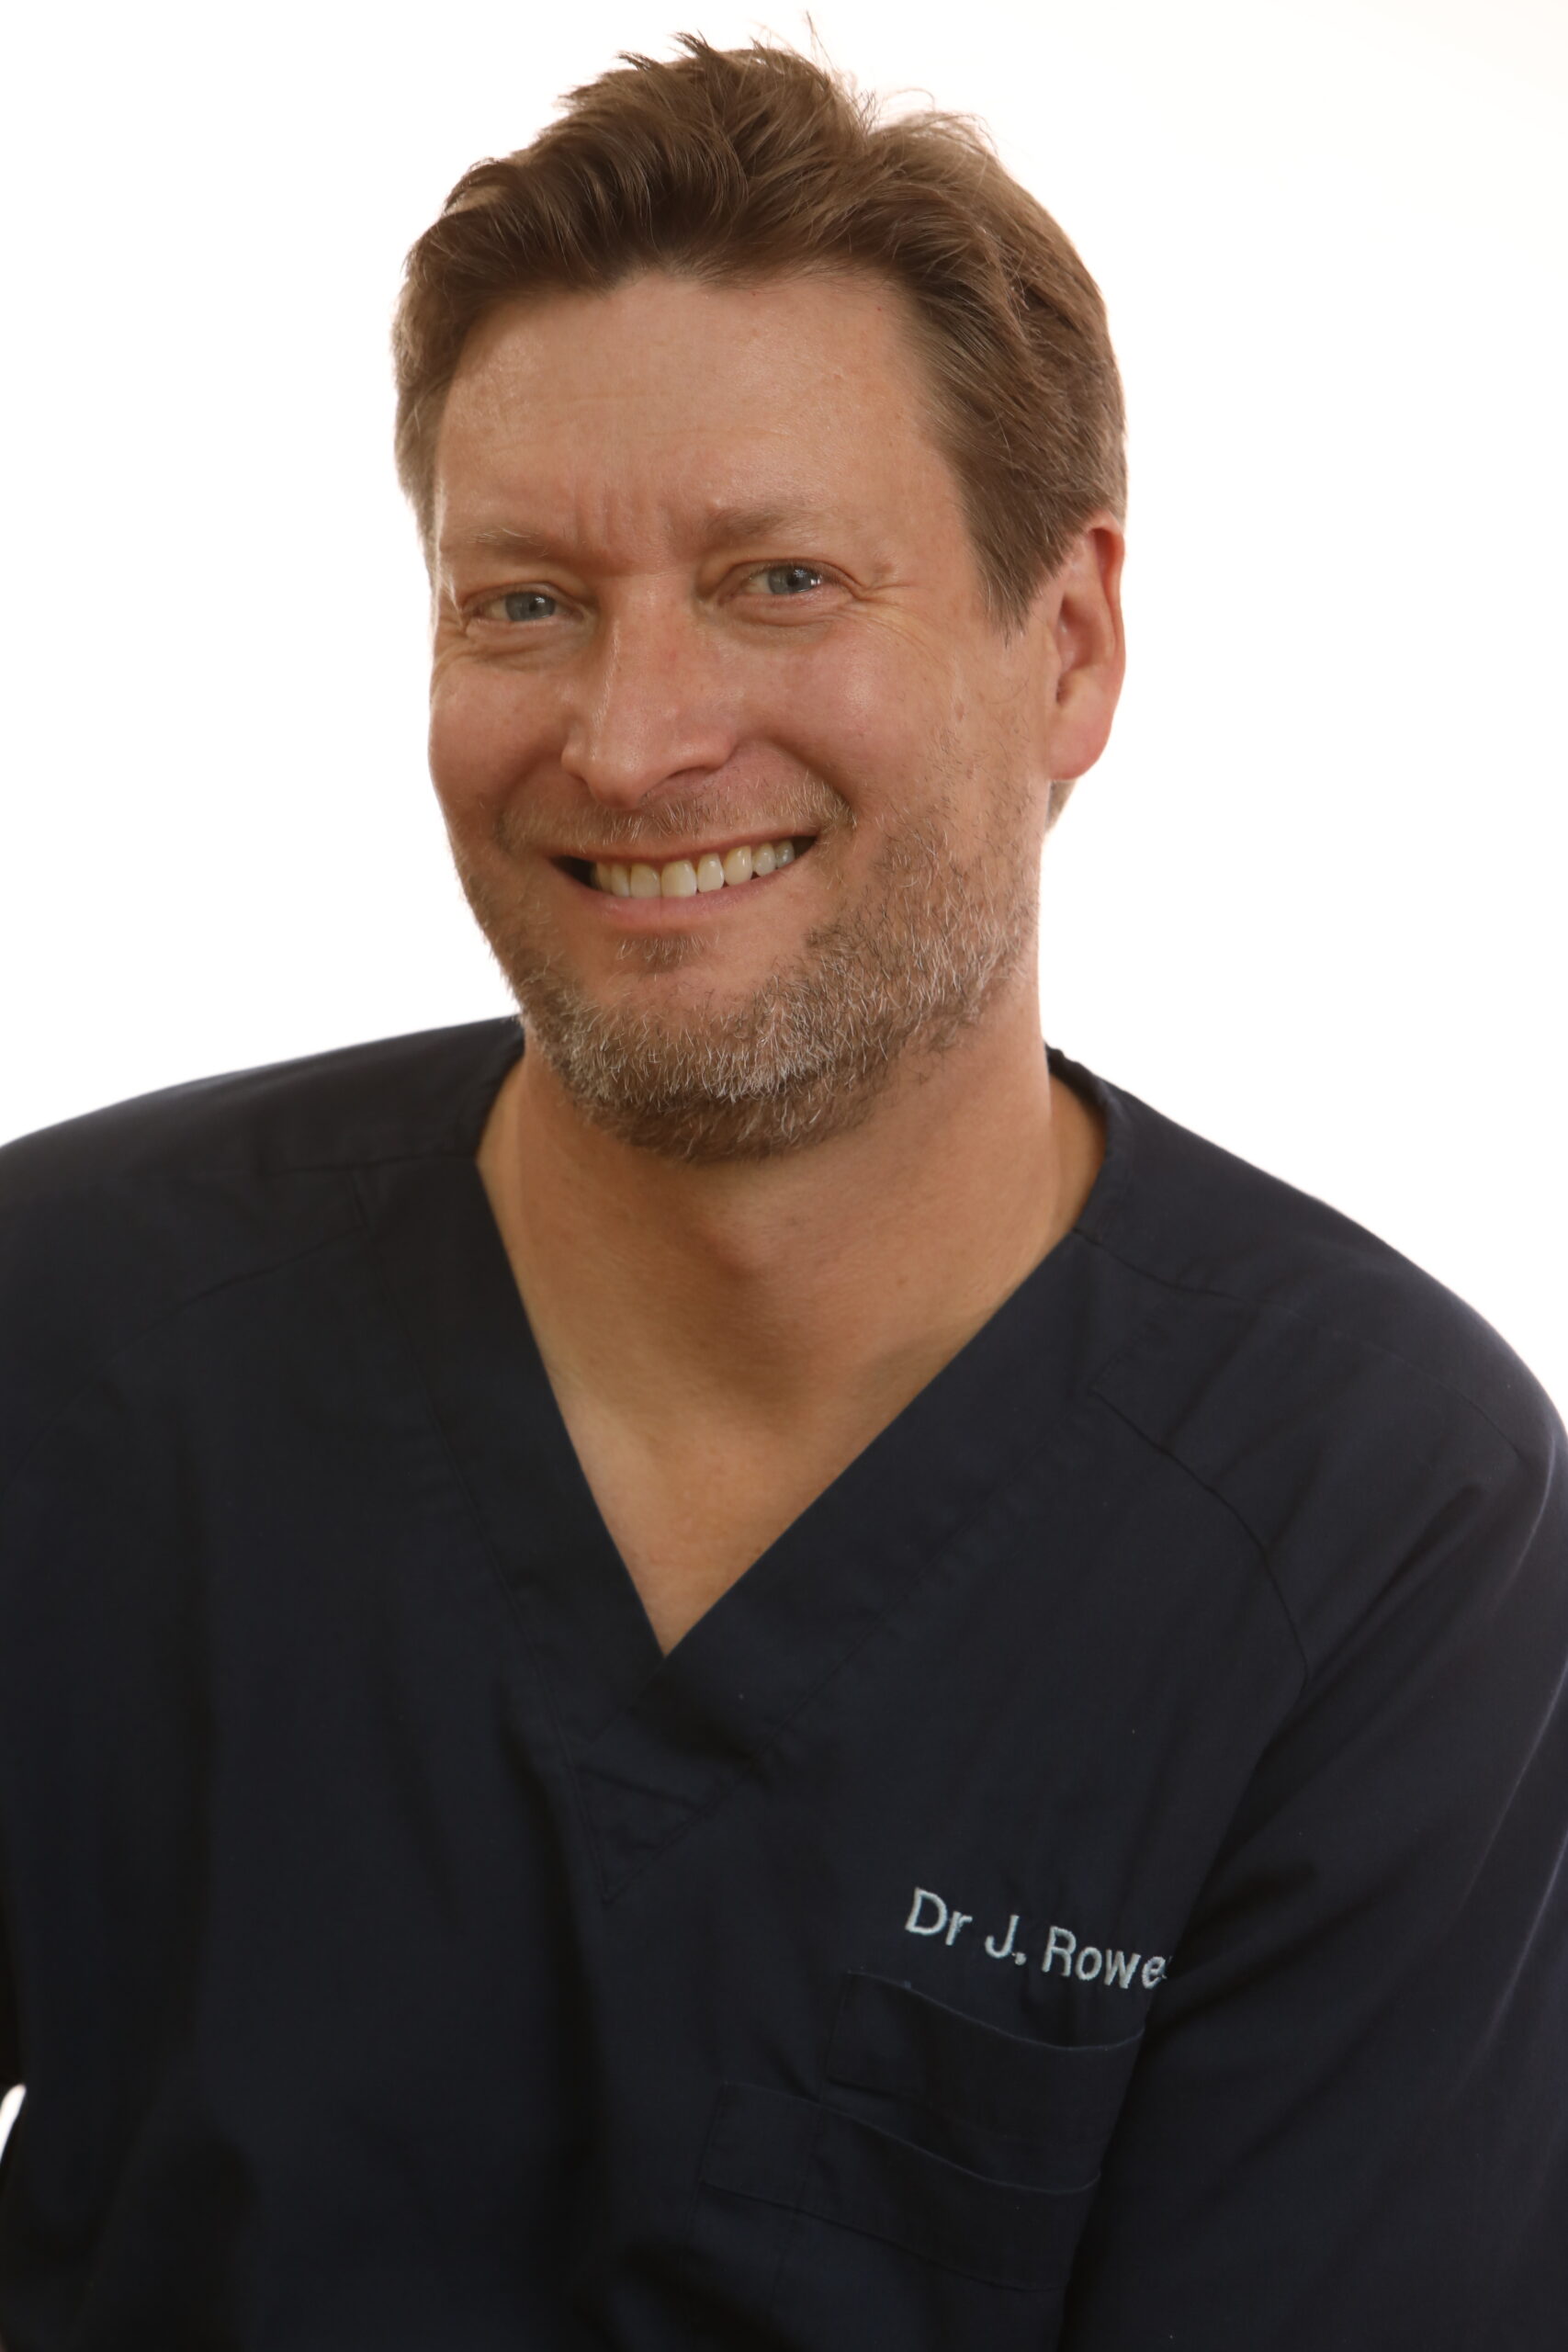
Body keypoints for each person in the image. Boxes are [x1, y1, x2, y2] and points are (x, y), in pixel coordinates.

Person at [0, 28, 1563, 2348]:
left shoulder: (1372, 1525)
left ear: (1068, 647)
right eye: (522, 600)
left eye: (779, 579)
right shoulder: (71, 1342)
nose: (632, 740)